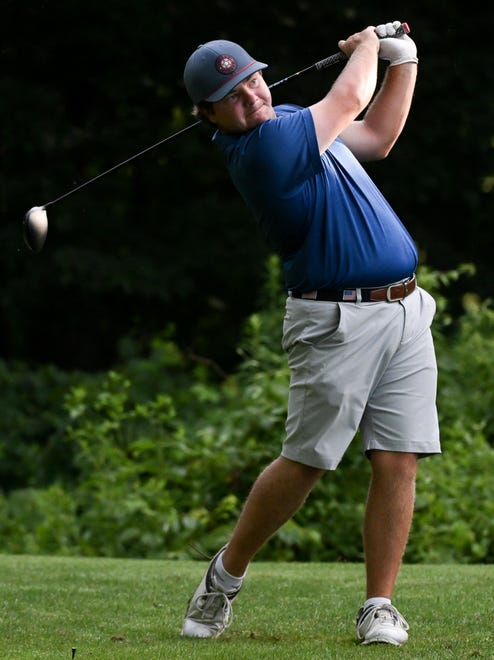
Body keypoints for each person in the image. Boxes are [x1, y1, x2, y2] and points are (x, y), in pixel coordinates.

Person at [180, 21, 440, 646]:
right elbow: (350, 100)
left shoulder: (291, 120)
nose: (253, 97)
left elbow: (375, 136)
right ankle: (223, 578)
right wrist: (369, 45)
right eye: (234, 98)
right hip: (335, 320)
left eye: (253, 81)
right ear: (209, 115)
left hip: (404, 309)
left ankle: (379, 606)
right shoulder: (261, 150)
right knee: (306, 463)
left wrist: (401, 61)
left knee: (398, 457)